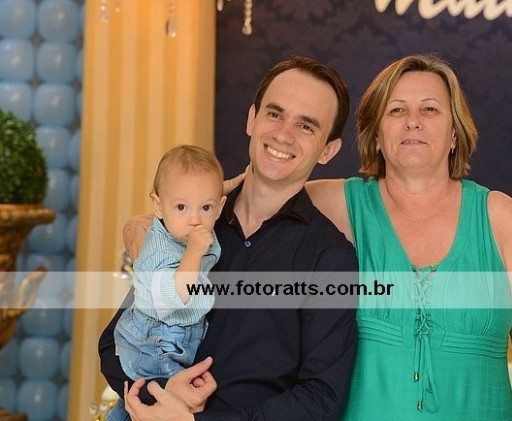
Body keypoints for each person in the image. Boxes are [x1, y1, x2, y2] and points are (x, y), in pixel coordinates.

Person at [306, 54, 512, 420]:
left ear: (454, 134)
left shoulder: (500, 216)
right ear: (376, 135)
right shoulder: (333, 205)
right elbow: (255, 198)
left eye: (430, 109)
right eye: (396, 110)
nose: (413, 121)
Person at [99, 56, 359, 421]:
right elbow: (113, 343)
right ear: (252, 119)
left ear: (328, 149)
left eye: (306, 126)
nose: (283, 134)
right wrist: (161, 394)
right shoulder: (187, 223)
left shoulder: (330, 259)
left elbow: (320, 399)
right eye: (275, 114)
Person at [107, 145, 227, 421]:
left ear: (219, 207)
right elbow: (175, 294)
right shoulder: (160, 250)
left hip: (177, 334)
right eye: (181, 207)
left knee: (133, 407)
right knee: (164, 407)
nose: (195, 219)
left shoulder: (185, 230)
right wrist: (194, 252)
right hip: (156, 341)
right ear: (159, 206)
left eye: (206, 207)